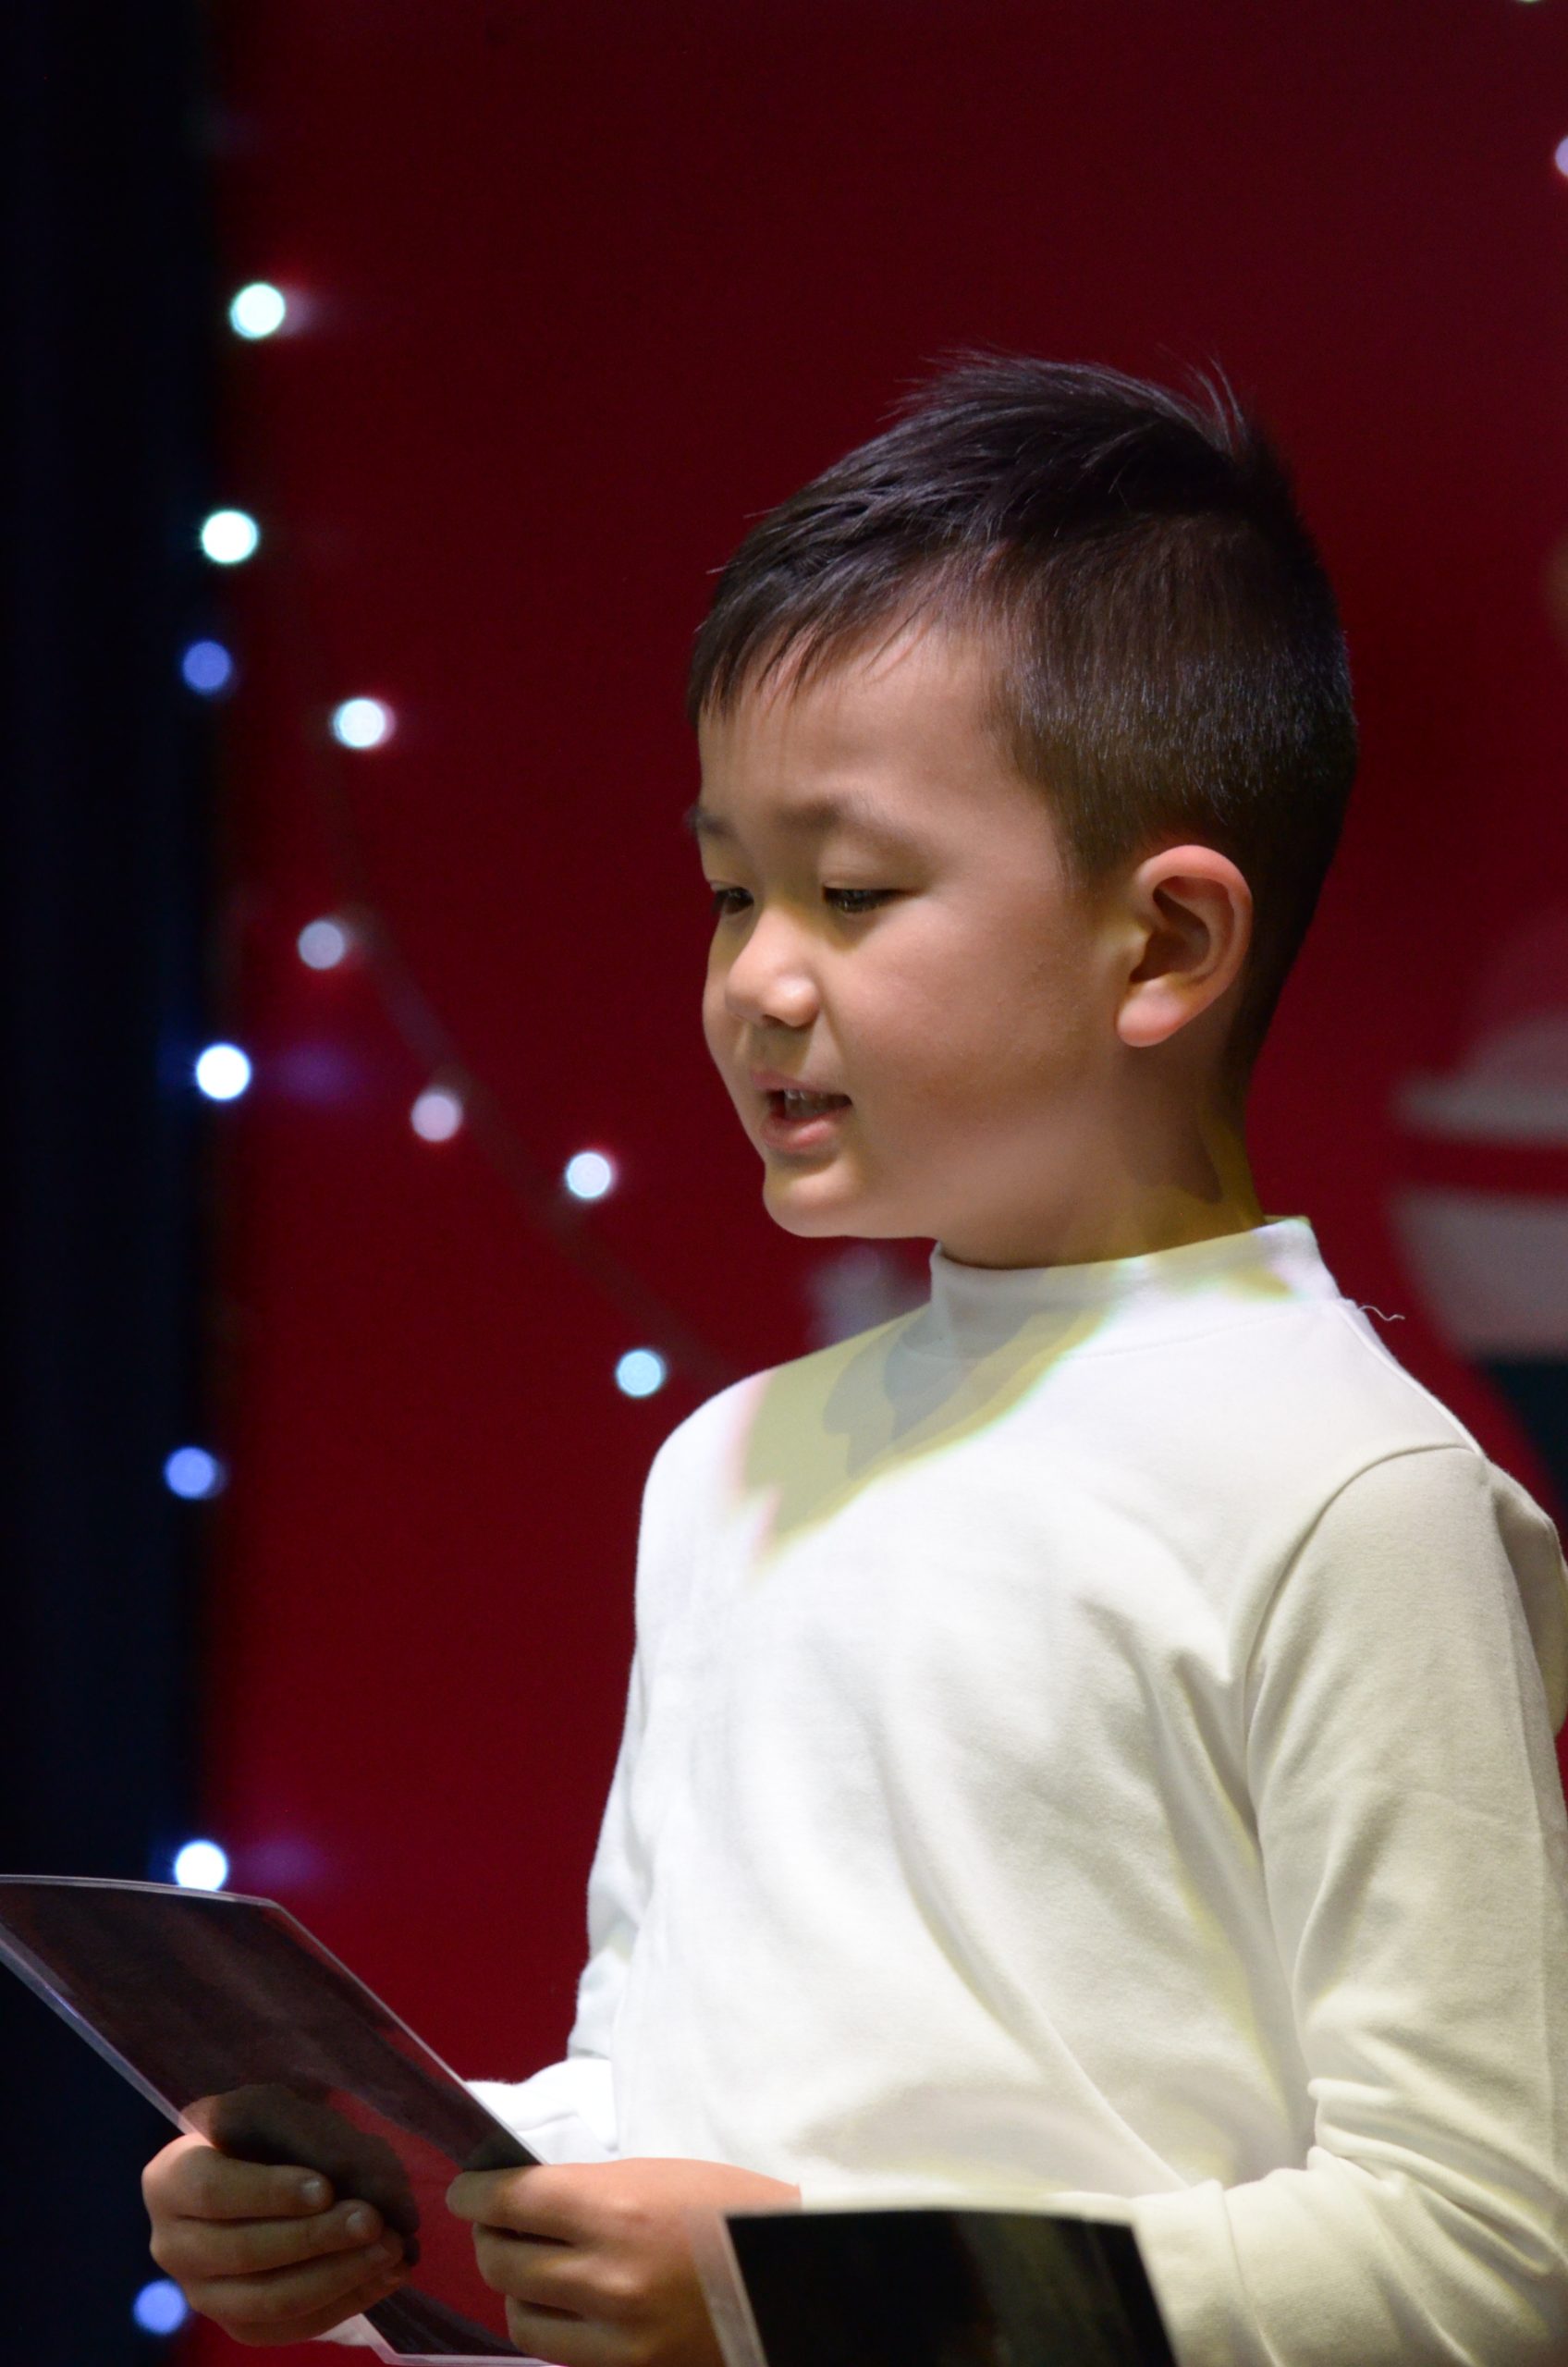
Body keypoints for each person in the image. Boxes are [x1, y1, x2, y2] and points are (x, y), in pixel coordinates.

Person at [142, 356, 1568, 2364]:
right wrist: (387, 2201)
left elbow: (1483, 2256)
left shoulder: (1354, 1492)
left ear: (1164, 943)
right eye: (731, 889)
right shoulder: (728, 1460)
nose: (756, 976)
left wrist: (808, 2291)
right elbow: (669, 2090)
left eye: (854, 891)